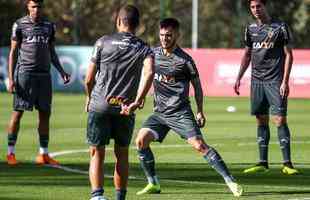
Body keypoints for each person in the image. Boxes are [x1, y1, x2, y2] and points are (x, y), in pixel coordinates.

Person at [135, 18, 243, 197]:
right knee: (140, 141)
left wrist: (200, 111)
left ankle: (230, 180)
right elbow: (145, 76)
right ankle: (153, 183)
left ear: (177, 35)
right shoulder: (153, 54)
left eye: (168, 35)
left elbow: (197, 87)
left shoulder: (185, 61)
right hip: (160, 113)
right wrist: (140, 97)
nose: (164, 39)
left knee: (199, 145)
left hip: (180, 112)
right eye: (161, 35)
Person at [84, 5, 154, 200]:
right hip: (125, 108)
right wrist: (138, 100)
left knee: (97, 152)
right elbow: (149, 72)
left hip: (100, 105)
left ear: (118, 21)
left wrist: (89, 98)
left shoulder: (102, 42)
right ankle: (120, 197)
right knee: (122, 153)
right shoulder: (143, 47)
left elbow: (89, 79)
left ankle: (97, 196)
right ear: (138, 25)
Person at [234, 0, 299, 175]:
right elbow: (247, 54)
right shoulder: (250, 29)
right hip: (257, 82)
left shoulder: (280, 27)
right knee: (261, 120)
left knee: (279, 120)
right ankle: (262, 162)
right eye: (253, 7)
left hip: (275, 81)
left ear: (265, 6)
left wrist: (285, 81)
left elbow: (289, 55)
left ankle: (287, 164)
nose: (256, 10)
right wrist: (239, 76)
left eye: (259, 6)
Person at [6, 0, 70, 166]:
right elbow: (13, 52)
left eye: (39, 6)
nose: (36, 9)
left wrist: (62, 71)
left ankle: (43, 154)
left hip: (44, 76)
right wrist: (11, 78)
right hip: (24, 74)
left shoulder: (49, 26)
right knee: (18, 112)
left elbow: (52, 51)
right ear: (28, 7)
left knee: (45, 114)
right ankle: (10, 153)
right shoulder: (19, 25)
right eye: (33, 6)